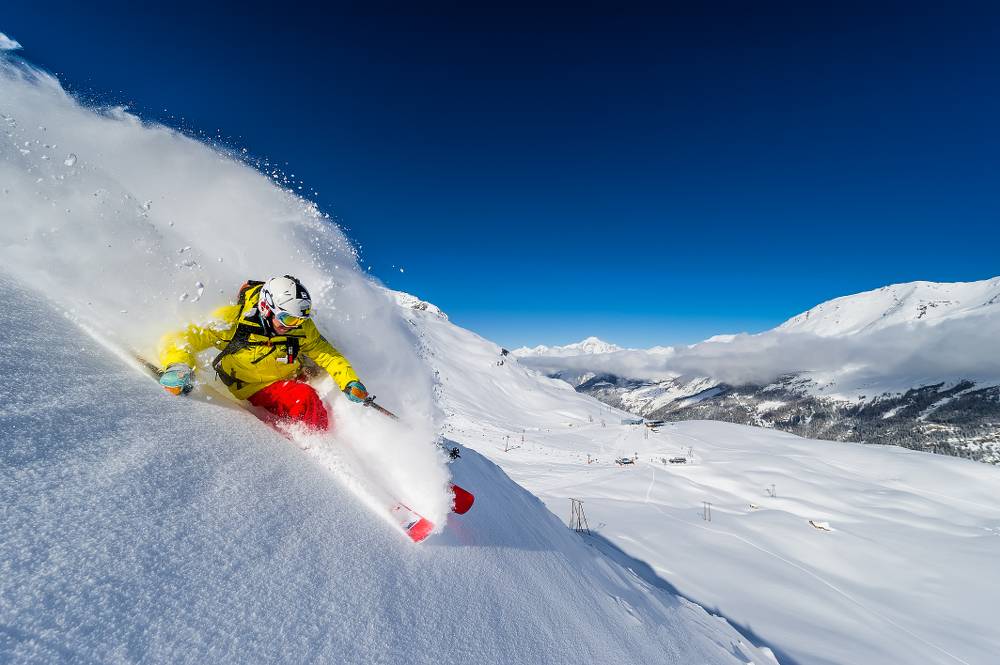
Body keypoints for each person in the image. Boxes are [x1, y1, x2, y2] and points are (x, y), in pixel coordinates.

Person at [157, 275, 367, 432]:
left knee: (321, 358)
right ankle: (321, 438)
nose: (294, 326)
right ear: (267, 308)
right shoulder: (233, 321)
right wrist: (178, 365)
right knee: (304, 399)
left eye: (299, 320)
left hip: (289, 368)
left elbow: (328, 354)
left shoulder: (301, 327)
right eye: (288, 319)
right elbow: (182, 338)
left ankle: (308, 375)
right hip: (255, 384)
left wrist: (350, 382)